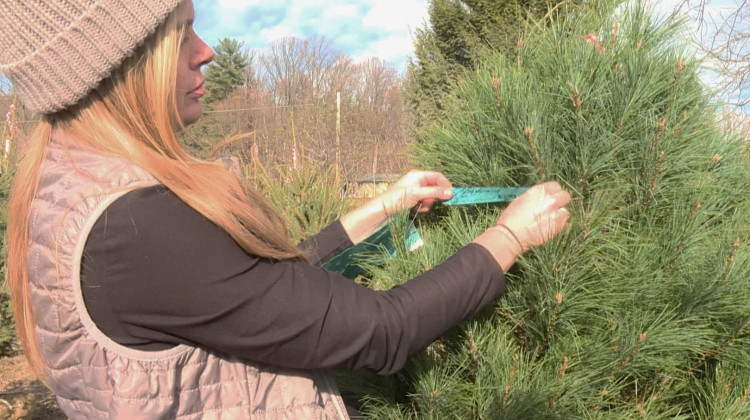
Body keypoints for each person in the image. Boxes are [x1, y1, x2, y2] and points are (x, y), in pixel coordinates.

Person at [1, 0, 571, 418]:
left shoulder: (72, 186)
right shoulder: (136, 224)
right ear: (122, 64)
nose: (207, 51)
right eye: (182, 33)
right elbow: (382, 330)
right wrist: (510, 235)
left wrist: (377, 210)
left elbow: (255, 295)